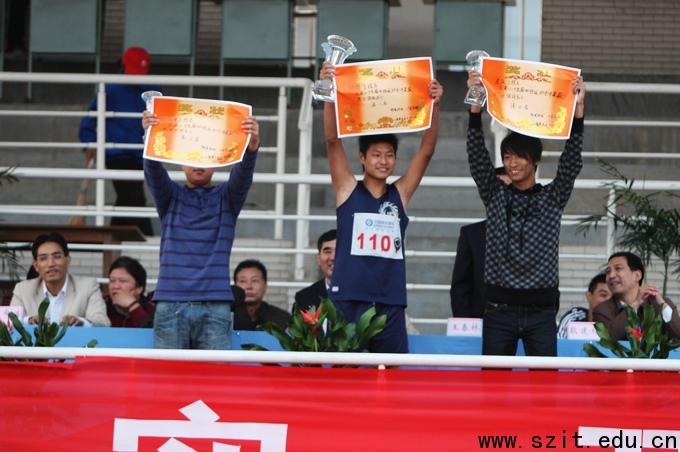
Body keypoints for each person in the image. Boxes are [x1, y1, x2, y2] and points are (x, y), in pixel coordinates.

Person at [319, 61, 443, 353]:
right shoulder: (347, 189)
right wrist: (328, 93)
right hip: (348, 298)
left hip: (389, 301)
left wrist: (435, 106)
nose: (383, 161)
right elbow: (332, 141)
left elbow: (426, 151)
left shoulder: (400, 194)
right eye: (376, 155)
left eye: (389, 155)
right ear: (362, 158)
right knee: (343, 373)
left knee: (390, 372)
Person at [466, 69, 586, 357]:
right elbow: (476, 155)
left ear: (536, 160)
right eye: (507, 156)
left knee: (544, 382)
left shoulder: (552, 198)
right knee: (494, 381)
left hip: (542, 311)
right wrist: (475, 106)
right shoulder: (495, 194)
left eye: (519, 156)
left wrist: (578, 110)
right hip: (498, 310)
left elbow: (571, 163)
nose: (512, 163)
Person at [141, 109, 260, 349]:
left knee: (213, 376)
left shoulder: (227, 198)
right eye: (191, 155)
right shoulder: (170, 196)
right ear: (180, 161)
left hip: (214, 304)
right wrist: (150, 136)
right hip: (172, 302)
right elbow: (153, 171)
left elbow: (243, 176)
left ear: (218, 160)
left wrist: (251, 148)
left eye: (206, 154)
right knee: (167, 374)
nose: (198, 162)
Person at [79, 46, 161, 236]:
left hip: (142, 155)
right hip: (117, 153)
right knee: (134, 197)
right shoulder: (110, 89)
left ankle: (111, 237)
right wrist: (90, 143)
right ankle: (147, 239)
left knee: (127, 198)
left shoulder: (154, 89)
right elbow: (89, 119)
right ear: (123, 67)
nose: (136, 78)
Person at [10, 232, 109, 327]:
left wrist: (80, 322)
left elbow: (102, 321)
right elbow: (9, 320)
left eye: (57, 257)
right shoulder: (22, 290)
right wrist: (29, 320)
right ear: (36, 265)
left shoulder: (88, 286)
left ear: (67, 261)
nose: (51, 264)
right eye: (43, 258)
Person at [450, 167, 510, 318]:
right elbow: (461, 286)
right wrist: (465, 322)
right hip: (481, 320)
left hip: (525, 323)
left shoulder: (535, 231)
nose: (503, 194)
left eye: (510, 188)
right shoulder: (471, 234)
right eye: (498, 189)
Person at [593, 251, 680, 340]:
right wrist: (635, 304)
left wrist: (662, 305)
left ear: (637, 275)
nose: (611, 275)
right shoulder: (602, 310)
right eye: (608, 271)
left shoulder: (660, 303)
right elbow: (607, 338)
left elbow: (677, 336)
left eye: (618, 268)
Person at [232, 259, 290, 331]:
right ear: (235, 286)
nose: (249, 286)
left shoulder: (281, 318)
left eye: (255, 280)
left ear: (265, 286)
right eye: (243, 281)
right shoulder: (226, 316)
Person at [293, 229, 336, 312]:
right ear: (319, 258)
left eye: (339, 251)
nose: (333, 257)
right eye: (328, 252)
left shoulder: (360, 294)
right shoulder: (304, 297)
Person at [105, 256, 154, 328]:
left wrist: (133, 306)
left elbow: (150, 332)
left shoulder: (152, 308)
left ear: (139, 288)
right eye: (112, 280)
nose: (116, 286)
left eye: (123, 281)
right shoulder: (101, 304)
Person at [556, 273, 610, 338]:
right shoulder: (574, 318)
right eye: (603, 295)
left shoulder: (618, 323)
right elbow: (560, 342)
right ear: (589, 296)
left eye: (613, 297)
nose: (608, 301)